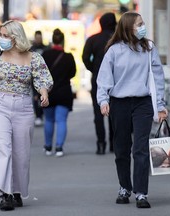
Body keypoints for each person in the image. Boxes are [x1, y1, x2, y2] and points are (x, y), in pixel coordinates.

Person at [0, 20, 53, 211]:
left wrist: (44, 93)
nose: (3, 39)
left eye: (6, 35)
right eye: (2, 35)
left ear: (17, 37)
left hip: (23, 107)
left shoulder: (34, 58)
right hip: (1, 106)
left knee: (21, 154)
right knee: (3, 149)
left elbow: (43, 79)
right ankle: (5, 194)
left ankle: (17, 192)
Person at [96, 12, 168, 208]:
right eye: (140, 24)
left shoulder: (149, 47)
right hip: (119, 103)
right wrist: (103, 100)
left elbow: (158, 78)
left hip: (143, 103)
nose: (143, 27)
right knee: (121, 149)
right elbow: (103, 78)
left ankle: (141, 193)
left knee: (141, 148)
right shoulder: (114, 51)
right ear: (128, 27)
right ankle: (124, 187)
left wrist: (160, 105)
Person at [82, 12, 116, 155]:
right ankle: (114, 144)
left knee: (98, 113)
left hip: (97, 80)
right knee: (115, 113)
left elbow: (85, 57)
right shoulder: (118, 40)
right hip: (116, 81)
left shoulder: (92, 39)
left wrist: (94, 69)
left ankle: (101, 144)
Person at [42, 28, 76, 157]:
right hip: (64, 92)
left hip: (48, 92)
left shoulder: (45, 55)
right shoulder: (68, 57)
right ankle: (59, 147)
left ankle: (48, 146)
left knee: (49, 120)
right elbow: (73, 73)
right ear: (63, 41)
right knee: (61, 120)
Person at [30, 30, 48, 126]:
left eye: (39, 38)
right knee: (35, 97)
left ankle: (42, 114)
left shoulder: (46, 48)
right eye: (37, 38)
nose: (38, 39)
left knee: (42, 95)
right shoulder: (31, 49)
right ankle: (38, 115)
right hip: (33, 76)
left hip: (43, 75)